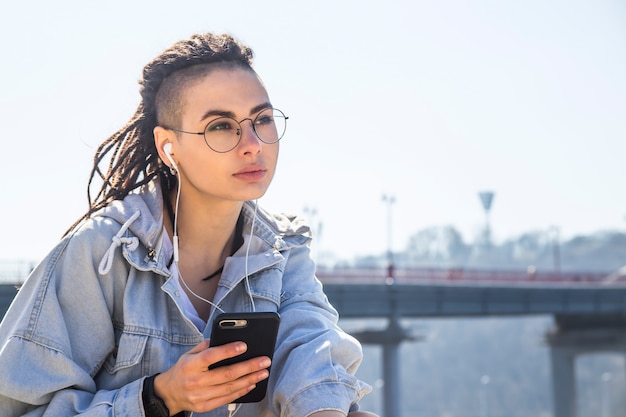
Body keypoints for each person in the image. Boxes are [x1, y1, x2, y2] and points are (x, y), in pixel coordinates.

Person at [0, 33, 378, 417]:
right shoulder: (102, 252)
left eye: (262, 119)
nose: (253, 143)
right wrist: (160, 398)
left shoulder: (282, 249)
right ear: (168, 147)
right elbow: (23, 408)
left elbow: (311, 350)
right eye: (220, 126)